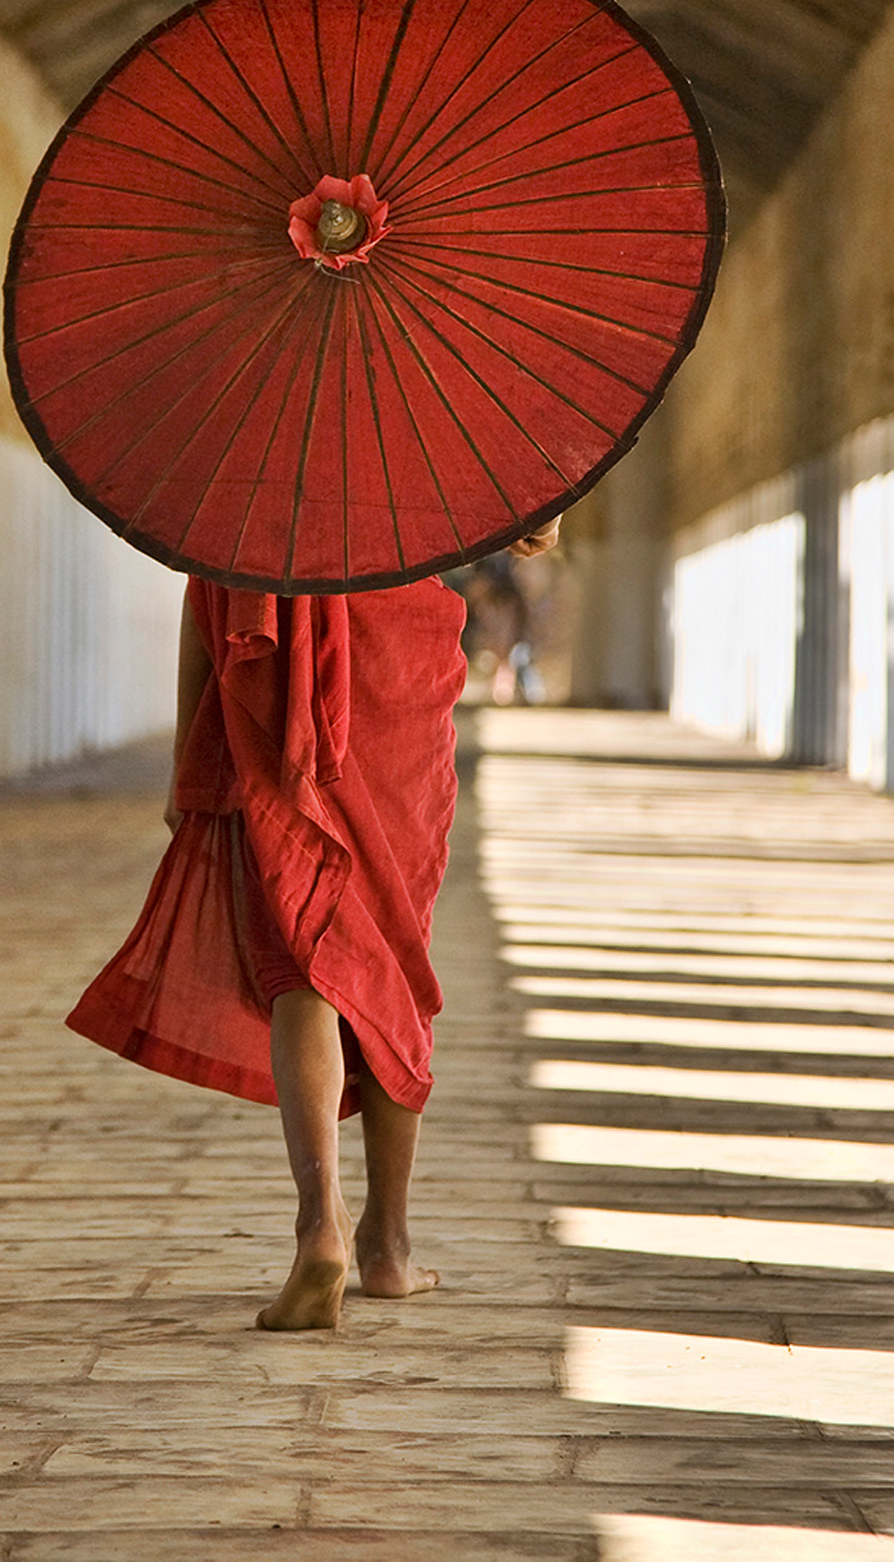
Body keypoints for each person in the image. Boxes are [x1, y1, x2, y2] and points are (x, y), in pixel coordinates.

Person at [67, 516, 562, 1331]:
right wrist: (534, 516)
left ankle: (318, 1227)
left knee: (301, 946)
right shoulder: (415, 397)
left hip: (262, 660)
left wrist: (190, 752)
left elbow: (204, 583)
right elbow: (500, 480)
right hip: (396, 666)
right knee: (392, 953)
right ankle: (389, 1248)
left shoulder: (239, 412)